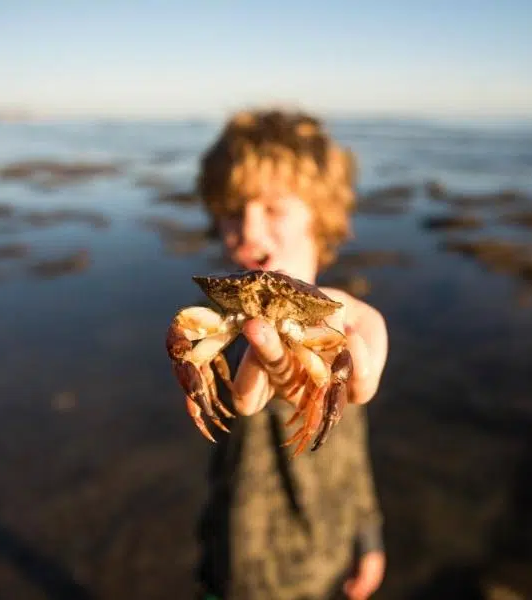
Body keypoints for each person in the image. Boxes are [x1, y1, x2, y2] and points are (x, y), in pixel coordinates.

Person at [187, 108, 388, 600]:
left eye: (273, 208)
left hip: (326, 558)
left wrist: (369, 534)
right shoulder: (226, 327)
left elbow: (352, 451)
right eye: (233, 211)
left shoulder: (341, 328)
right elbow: (209, 354)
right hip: (237, 564)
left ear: (322, 215)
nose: (249, 230)